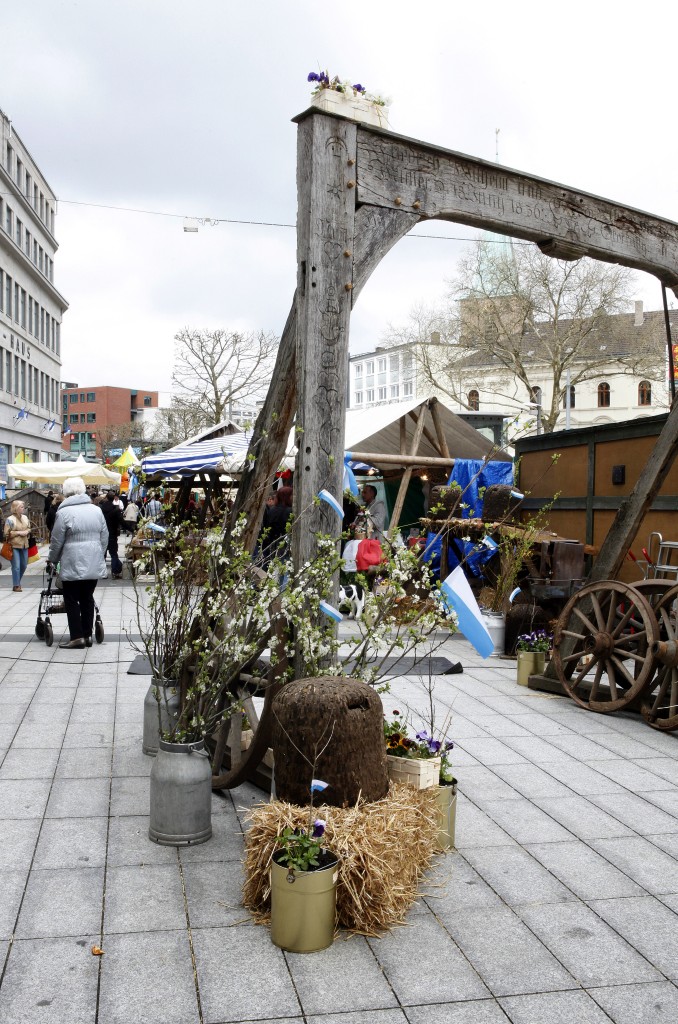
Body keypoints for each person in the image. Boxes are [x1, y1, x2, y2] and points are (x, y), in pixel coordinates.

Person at [47, 477, 108, 648]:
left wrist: (53, 559)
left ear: (66, 492)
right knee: (87, 597)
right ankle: (87, 635)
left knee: (71, 598)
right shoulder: (96, 510)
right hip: (93, 559)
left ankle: (76, 637)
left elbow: (57, 540)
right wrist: (99, 553)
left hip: (72, 560)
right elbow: (104, 536)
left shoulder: (64, 513)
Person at [4, 499, 31, 592]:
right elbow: (6, 534)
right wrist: (19, 532)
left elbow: (29, 528)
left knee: (24, 565)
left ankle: (17, 582)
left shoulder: (25, 517)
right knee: (16, 566)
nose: (23, 508)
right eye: (21, 507)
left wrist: (27, 531)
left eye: (23, 507)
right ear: (16, 508)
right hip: (13, 545)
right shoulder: (10, 519)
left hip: (24, 544)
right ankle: (16, 585)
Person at [99, 490, 125, 579]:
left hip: (102, 533)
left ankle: (102, 572)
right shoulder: (115, 509)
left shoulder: (101, 509)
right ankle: (115, 571)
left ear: (106, 497)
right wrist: (131, 529)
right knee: (113, 553)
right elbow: (122, 522)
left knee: (103, 553)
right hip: (112, 534)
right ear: (114, 498)